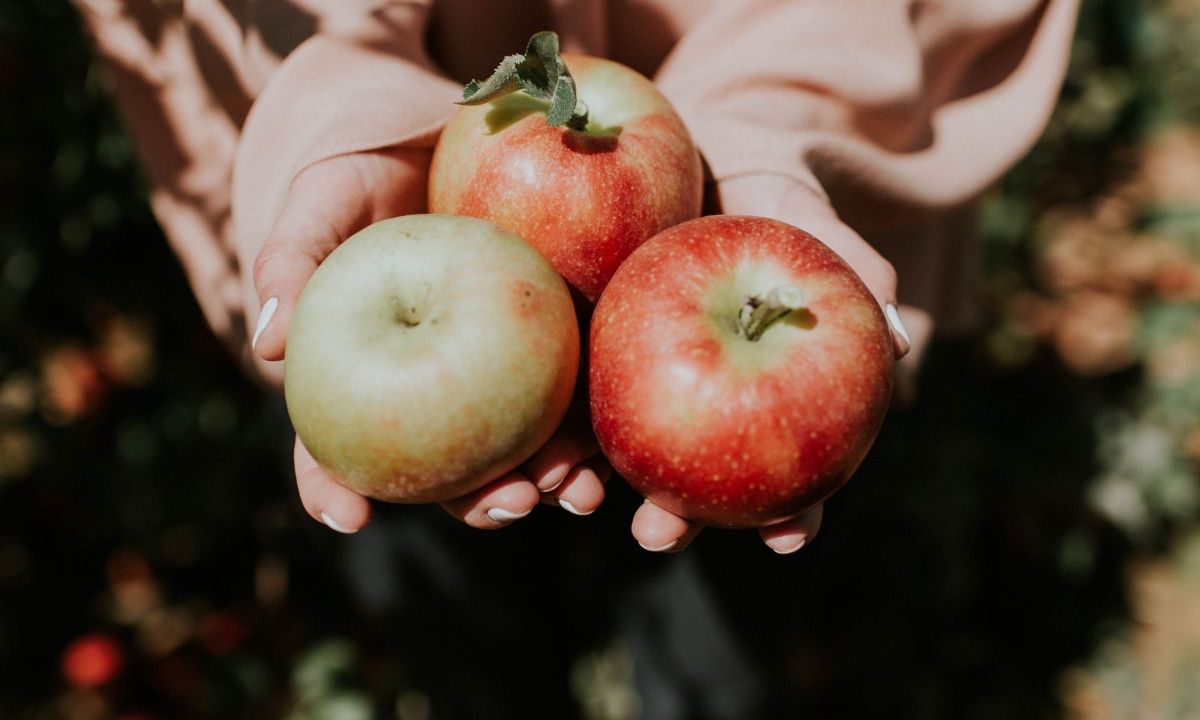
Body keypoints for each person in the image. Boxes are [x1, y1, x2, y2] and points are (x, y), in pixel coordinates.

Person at [74, 0, 1080, 714]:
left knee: (718, 648)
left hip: (753, 237)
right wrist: (349, 108)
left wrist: (760, 136)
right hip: (401, 255)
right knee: (458, 625)